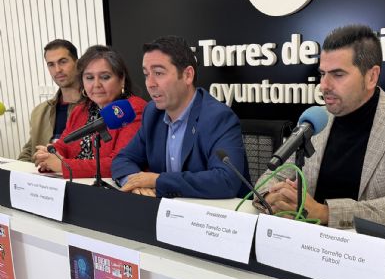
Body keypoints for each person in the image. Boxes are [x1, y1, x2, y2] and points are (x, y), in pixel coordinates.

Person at [258, 24, 385, 229]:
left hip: (368, 251)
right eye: (322, 73)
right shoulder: (315, 119)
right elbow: (269, 178)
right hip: (304, 241)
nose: (324, 85)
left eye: (338, 74)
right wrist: (273, 198)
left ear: (371, 76)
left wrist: (326, 213)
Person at [111, 35, 249, 199]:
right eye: (146, 74)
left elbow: (225, 181)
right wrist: (135, 184)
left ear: (187, 75)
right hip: (169, 214)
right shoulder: (152, 113)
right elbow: (123, 160)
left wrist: (157, 181)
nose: (150, 83)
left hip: (217, 218)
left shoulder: (218, 117)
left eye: (158, 73)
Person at [33, 45, 147, 179]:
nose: (96, 84)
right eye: (89, 78)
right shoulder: (80, 110)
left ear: (121, 79)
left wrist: (63, 165)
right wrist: (49, 155)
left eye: (105, 77)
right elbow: (63, 145)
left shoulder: (132, 109)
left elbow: (121, 163)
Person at [18, 39, 85, 162]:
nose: (57, 70)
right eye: (51, 64)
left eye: (63, 62)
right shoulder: (39, 112)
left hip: (79, 177)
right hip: (42, 178)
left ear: (78, 63)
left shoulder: (94, 108)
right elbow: (30, 150)